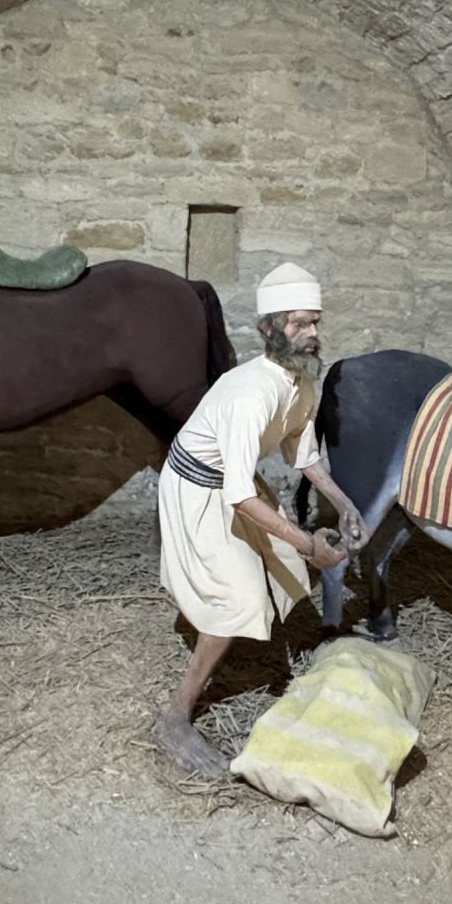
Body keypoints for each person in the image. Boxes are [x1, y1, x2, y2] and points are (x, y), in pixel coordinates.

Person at [154, 262, 368, 776]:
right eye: (298, 324)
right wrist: (308, 543)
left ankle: (247, 636)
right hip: (198, 488)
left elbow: (304, 455)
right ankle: (175, 718)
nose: (311, 334)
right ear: (268, 329)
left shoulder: (302, 382)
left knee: (284, 566)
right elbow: (238, 496)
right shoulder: (252, 391)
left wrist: (345, 504)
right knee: (240, 597)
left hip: (234, 485)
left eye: (315, 322)